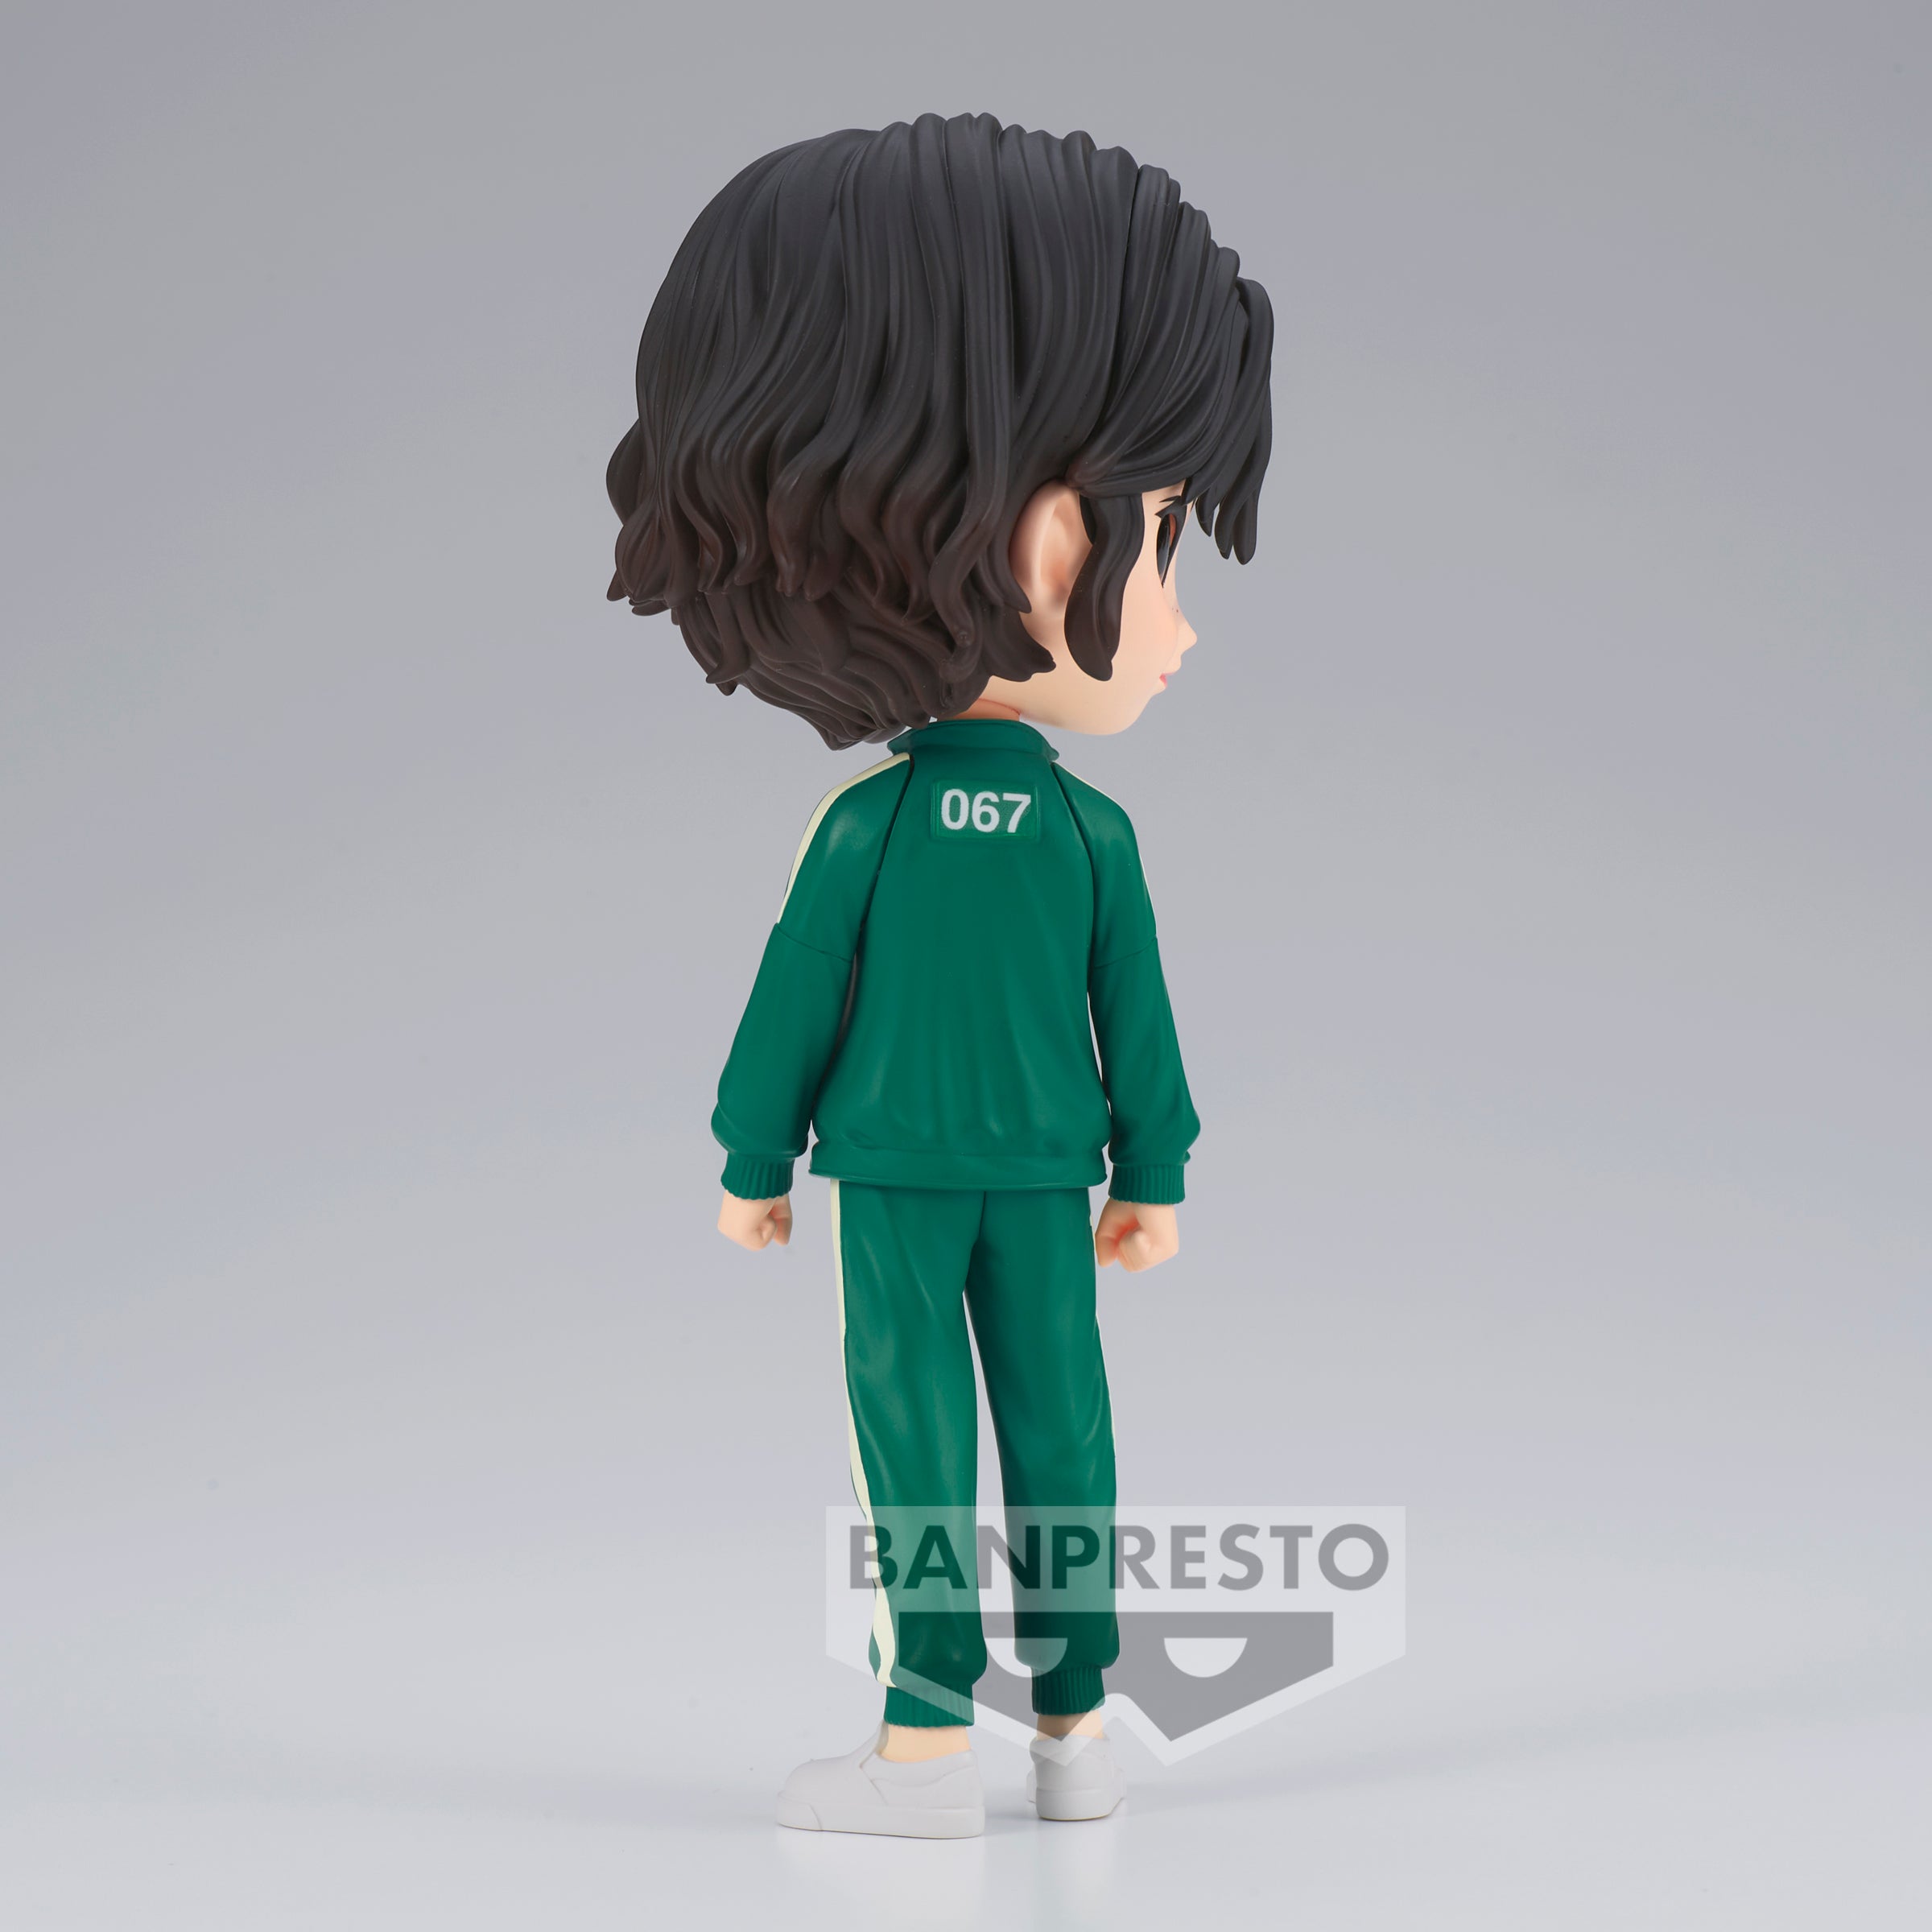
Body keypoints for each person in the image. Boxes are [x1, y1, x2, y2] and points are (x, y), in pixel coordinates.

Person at [606, 112, 1273, 1836]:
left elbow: (791, 1003)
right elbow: (1141, 1023)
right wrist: (1156, 1174)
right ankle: (1073, 1729)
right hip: (1043, 1177)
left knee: (911, 1438)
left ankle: (922, 1742)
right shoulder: (1090, 836)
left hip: (897, 1182)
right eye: (1165, 535)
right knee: (1065, 1432)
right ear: (1049, 545)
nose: (1183, 613)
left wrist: (754, 1162)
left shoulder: (868, 827)